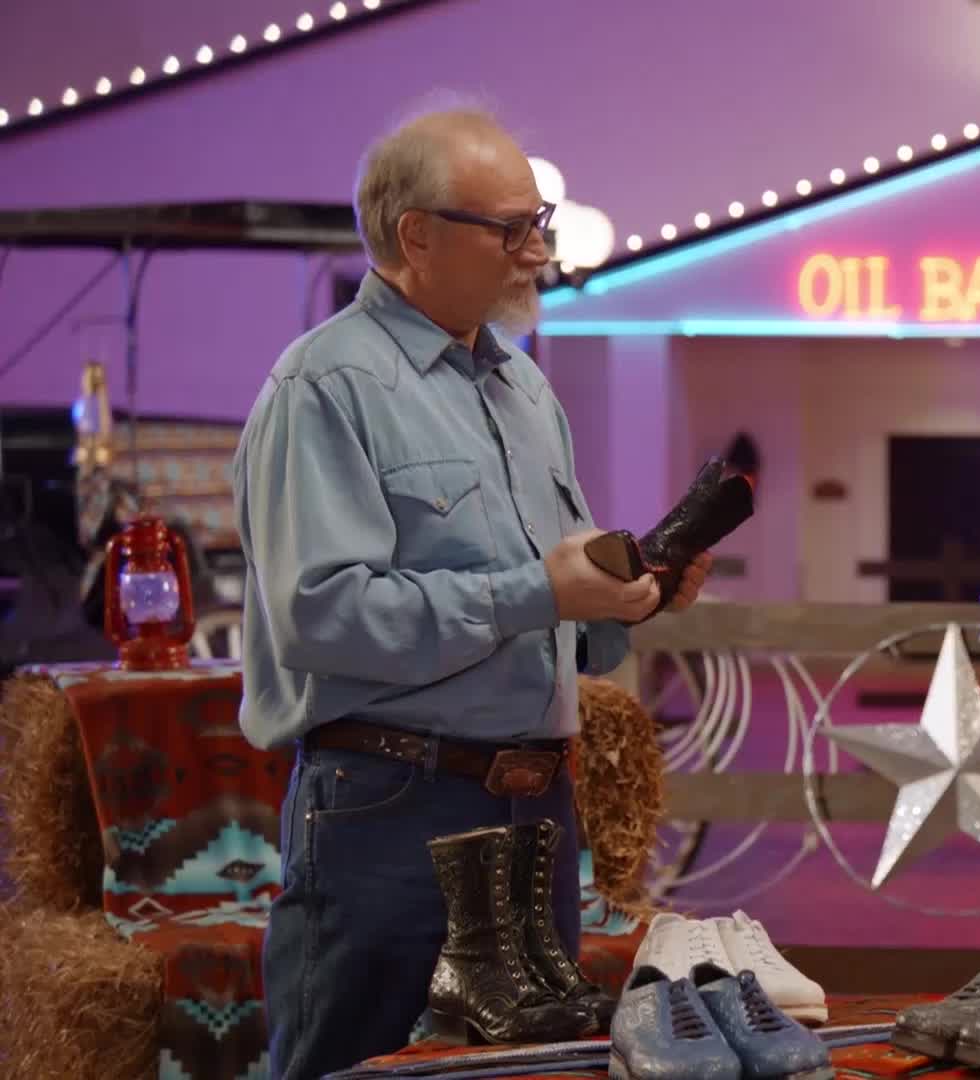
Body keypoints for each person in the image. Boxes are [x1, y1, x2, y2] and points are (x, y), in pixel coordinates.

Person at [231, 105, 711, 1079]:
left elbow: (563, 633)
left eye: (542, 224)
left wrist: (629, 600)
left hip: (535, 812)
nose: (537, 251)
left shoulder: (524, 392)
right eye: (511, 228)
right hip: (391, 810)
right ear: (416, 235)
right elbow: (323, 617)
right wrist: (540, 593)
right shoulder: (325, 388)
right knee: (352, 1065)